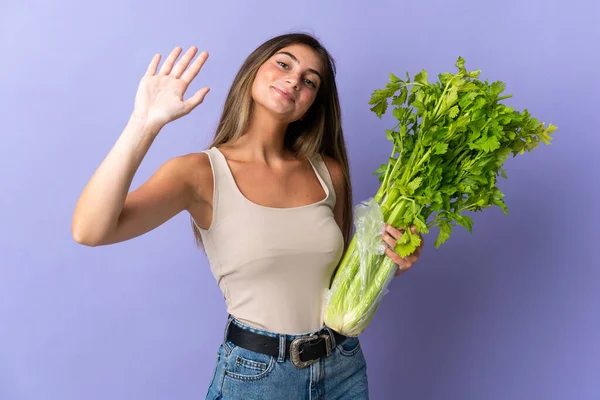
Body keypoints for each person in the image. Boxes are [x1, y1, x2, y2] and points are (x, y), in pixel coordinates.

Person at [72, 32, 423, 400]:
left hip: (343, 366)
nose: (293, 80)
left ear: (311, 104)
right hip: (259, 376)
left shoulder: (328, 173)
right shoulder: (199, 174)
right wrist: (144, 123)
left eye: (309, 82)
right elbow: (90, 230)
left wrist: (388, 260)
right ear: (254, 70)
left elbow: (331, 279)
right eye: (284, 64)